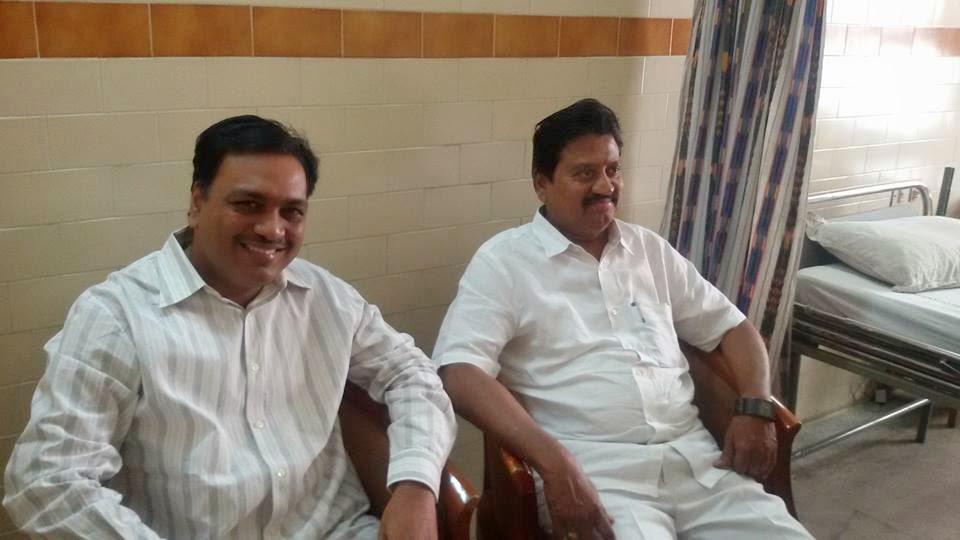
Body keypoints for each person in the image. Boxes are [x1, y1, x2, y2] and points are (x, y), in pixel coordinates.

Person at [4, 115, 456, 539]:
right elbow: (47, 481)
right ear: (197, 202)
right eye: (248, 204)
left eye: (292, 211)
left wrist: (416, 485)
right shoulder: (117, 316)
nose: (272, 230)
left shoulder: (325, 297)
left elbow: (411, 375)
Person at [433, 99, 812, 539]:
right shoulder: (505, 262)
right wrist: (553, 462)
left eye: (612, 169)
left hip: (699, 464)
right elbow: (460, 371)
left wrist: (755, 406)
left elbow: (732, 327)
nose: (605, 186)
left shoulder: (648, 250)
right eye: (584, 173)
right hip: (596, 477)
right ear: (542, 184)